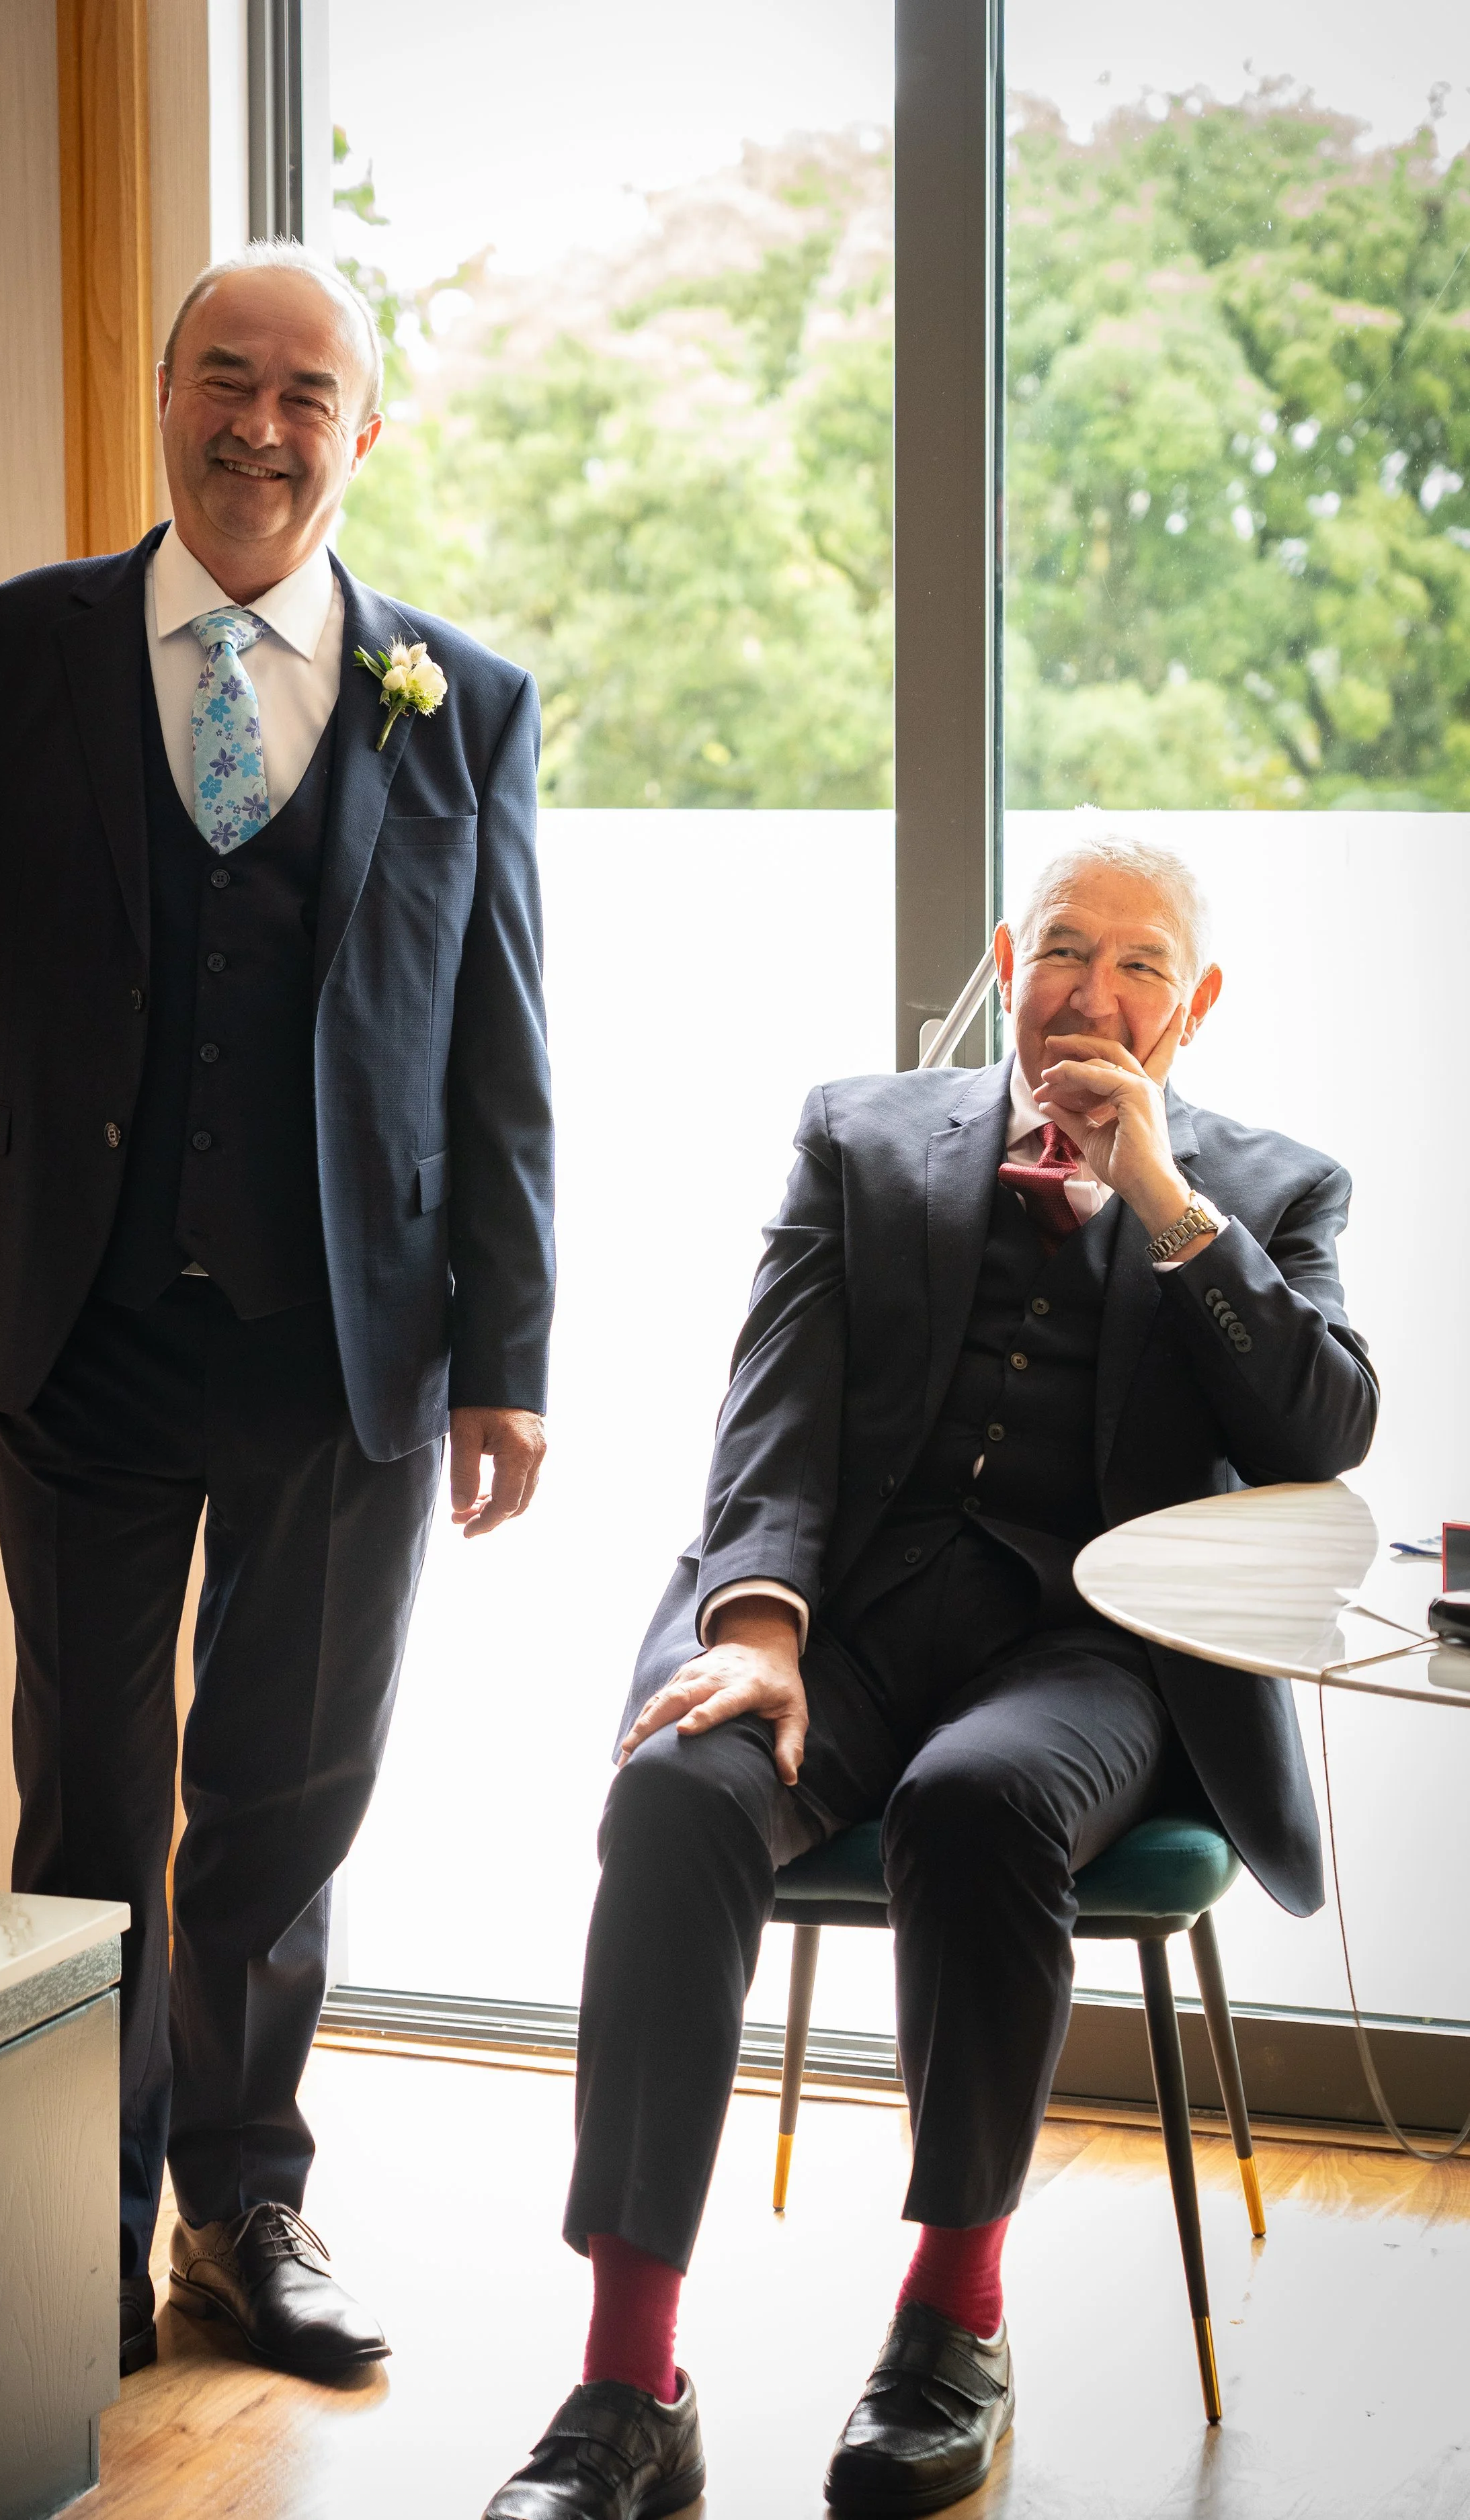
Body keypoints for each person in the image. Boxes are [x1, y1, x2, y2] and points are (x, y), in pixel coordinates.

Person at [0, 243, 555, 2381]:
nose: (262, 425)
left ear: (363, 432)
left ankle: (243, 2209)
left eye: (309, 393)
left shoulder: (460, 701)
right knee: (95, 1806)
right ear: (161, 395)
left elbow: (499, 1051)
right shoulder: (15, 648)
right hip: (84, 1332)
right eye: (227, 377)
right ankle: (78, 2228)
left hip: (348, 1349)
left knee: (287, 1802)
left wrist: (509, 1360)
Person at [485, 835, 1376, 2519]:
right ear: (1002, 955)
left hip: (1097, 1655)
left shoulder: (1270, 1191)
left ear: (1190, 1004)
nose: (1089, 994)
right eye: (1060, 950)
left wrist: (1168, 1205)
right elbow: (776, 1402)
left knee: (976, 1807)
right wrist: (755, 1625)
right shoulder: (860, 1131)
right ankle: (625, 2382)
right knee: (675, 1795)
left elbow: (1321, 1427)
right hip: (847, 1616)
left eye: (1134, 966)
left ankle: (949, 2326)